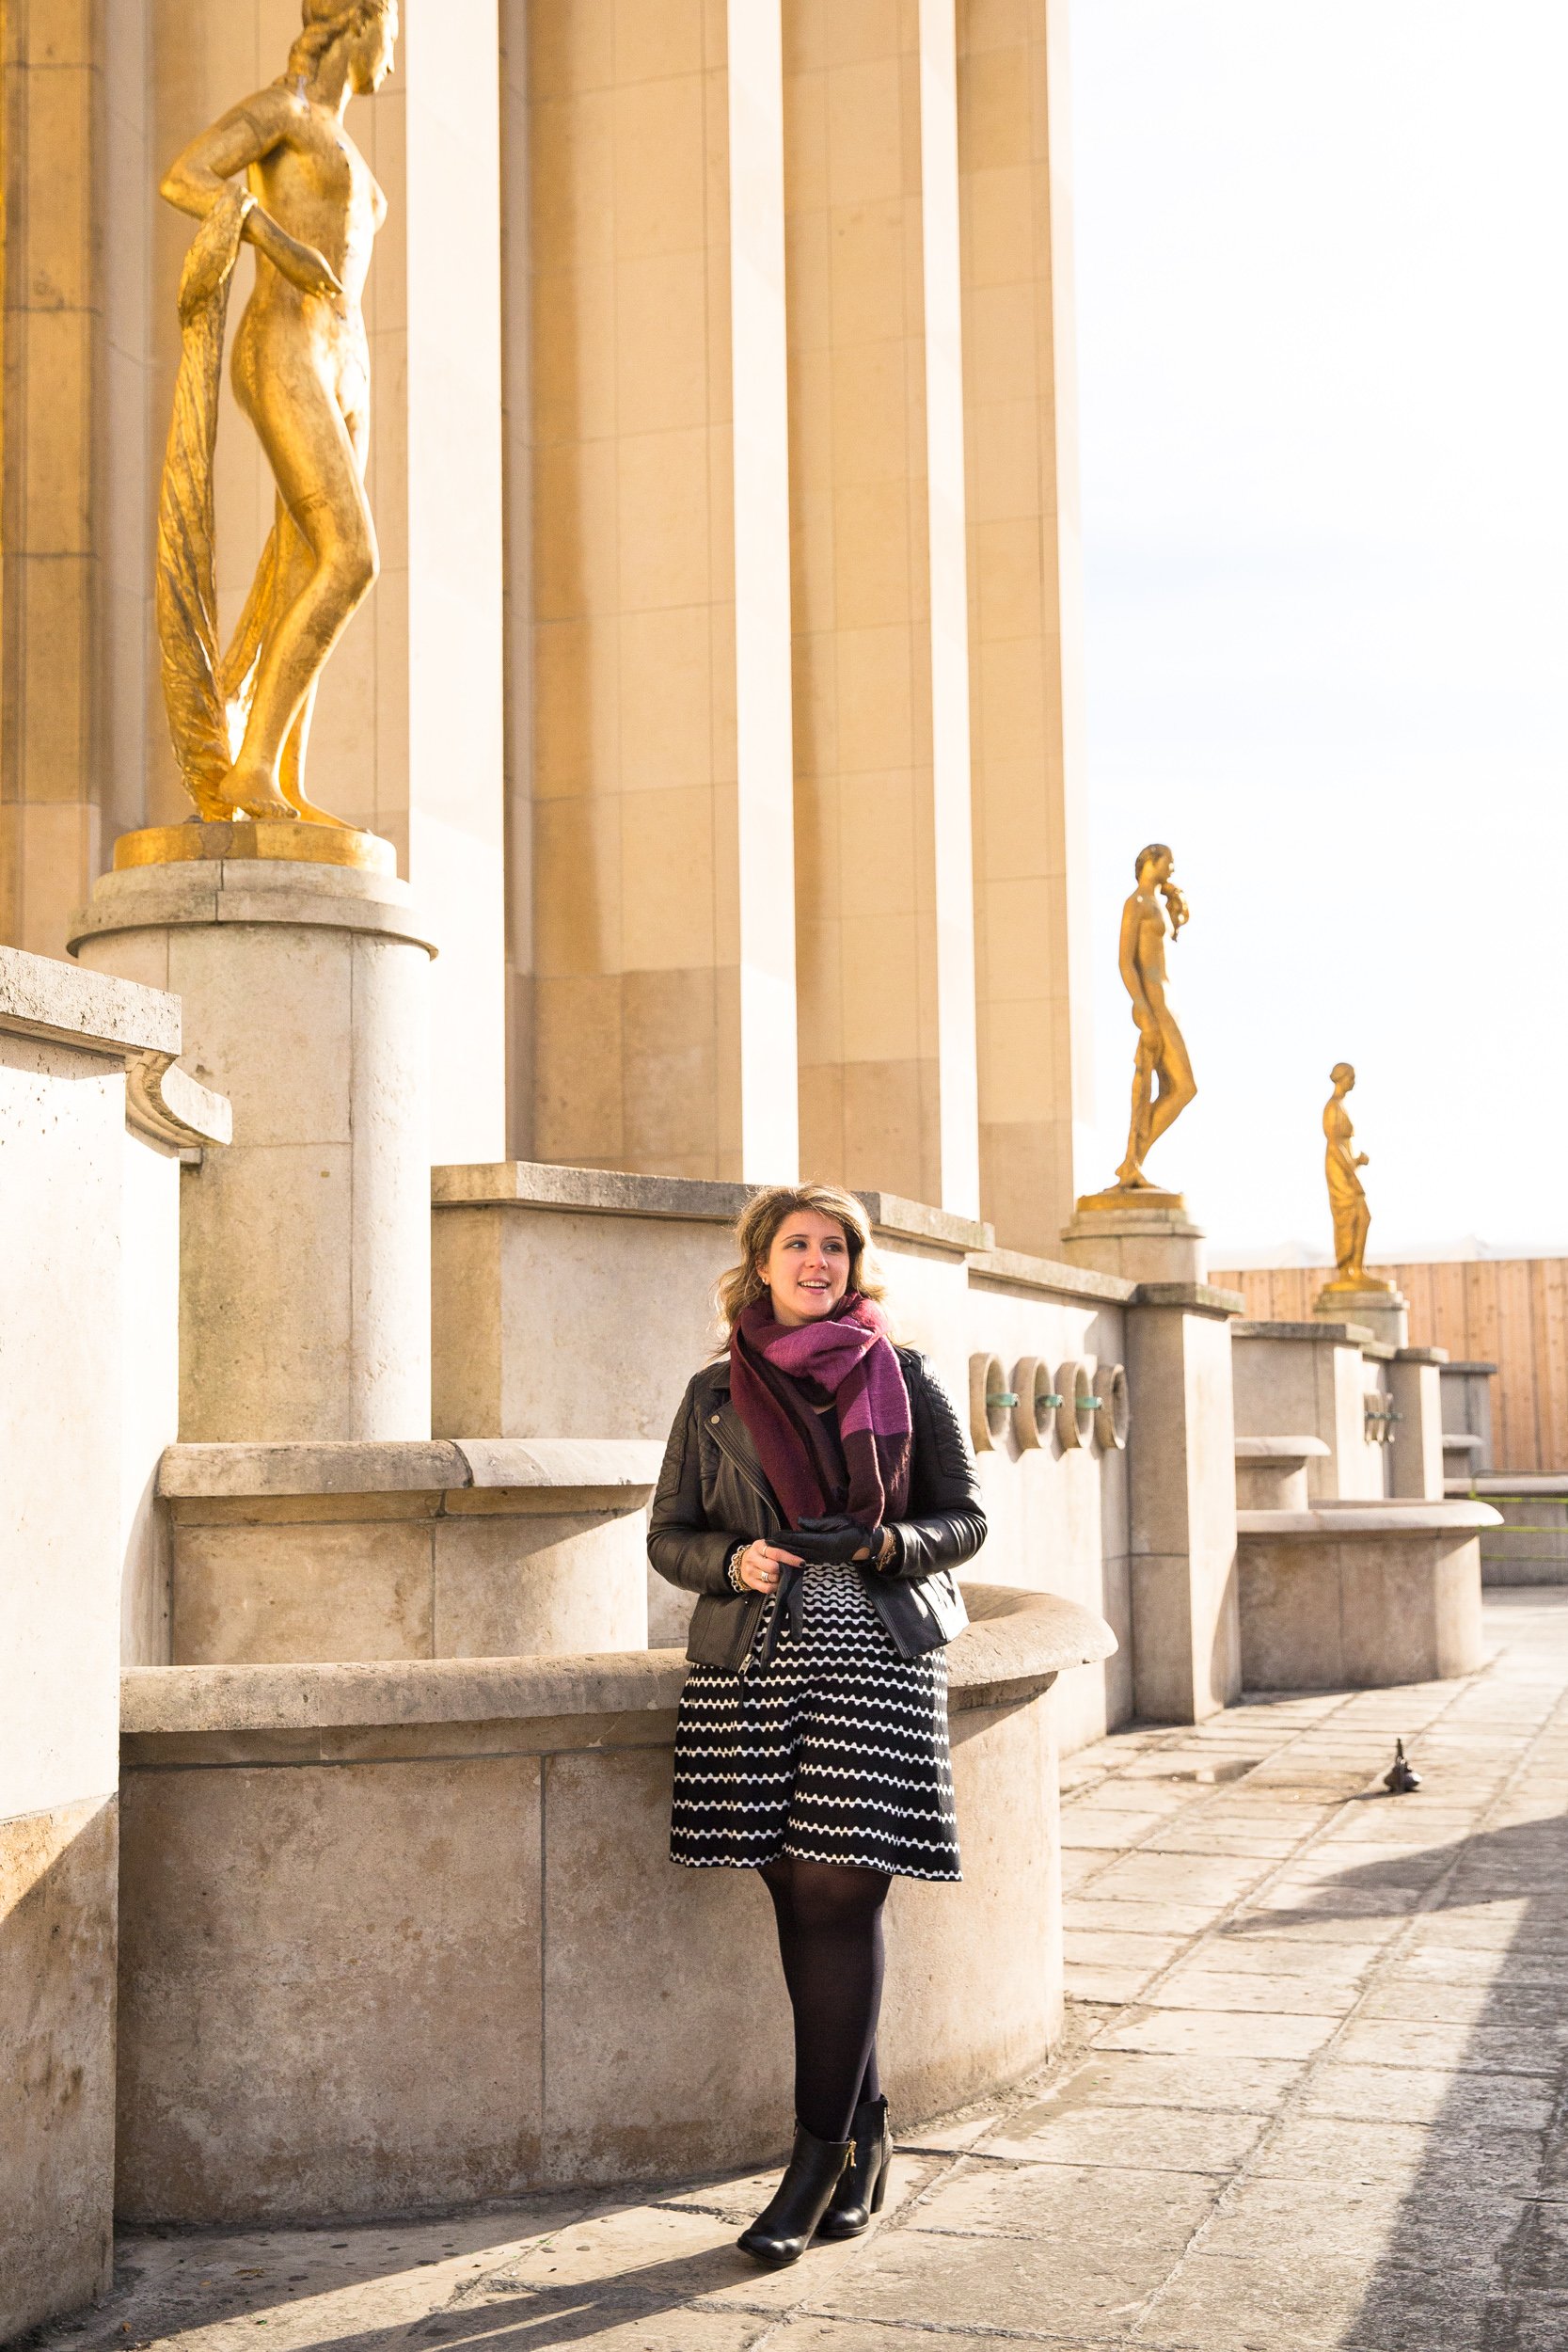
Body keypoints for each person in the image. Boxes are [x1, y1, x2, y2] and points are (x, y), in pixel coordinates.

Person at [649, 1184, 987, 2265]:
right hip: (754, 1660)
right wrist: (732, 1559)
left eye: (833, 1246)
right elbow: (670, 1533)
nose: (816, 1259)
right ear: (759, 1263)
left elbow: (964, 1517)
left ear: (853, 1264)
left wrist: (885, 1546)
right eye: (795, 1243)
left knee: (840, 1888)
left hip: (875, 1657)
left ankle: (811, 2161)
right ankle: (867, 2131)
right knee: (797, 1893)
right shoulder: (712, 1394)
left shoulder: (905, 1371)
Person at [157, 0, 396, 823]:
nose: (390, 64)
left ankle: (283, 779)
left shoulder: (356, 159)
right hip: (284, 345)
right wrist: (271, 241)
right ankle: (249, 765)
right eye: (389, 37)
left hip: (346, 366)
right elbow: (184, 177)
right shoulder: (282, 114)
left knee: (305, 569)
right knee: (353, 558)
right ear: (358, 23)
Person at [1116, 842, 1196, 1187]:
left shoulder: (1154, 904)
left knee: (1178, 1089)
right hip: (1154, 1004)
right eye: (1169, 863)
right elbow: (1125, 962)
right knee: (1182, 1087)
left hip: (1166, 1003)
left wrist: (1176, 908)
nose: (1172, 870)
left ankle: (1132, 1160)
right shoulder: (1135, 904)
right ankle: (1132, 1160)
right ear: (1151, 861)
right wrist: (1143, 1011)